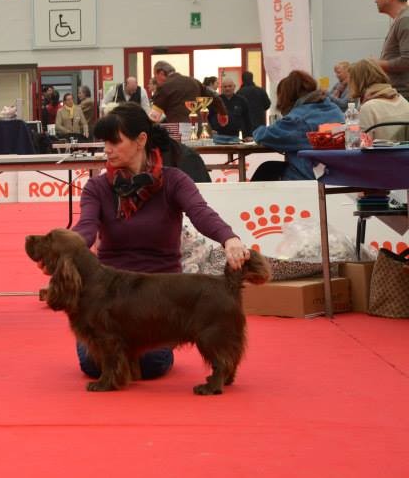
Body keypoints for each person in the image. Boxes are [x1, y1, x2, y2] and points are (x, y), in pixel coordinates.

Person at [71, 102, 250, 380]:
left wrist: (230, 239)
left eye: (114, 142)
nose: (107, 149)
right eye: (104, 142)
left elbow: (201, 214)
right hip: (108, 294)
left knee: (151, 366)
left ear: (141, 140)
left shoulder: (174, 180)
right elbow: (86, 227)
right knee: (93, 366)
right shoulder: (97, 187)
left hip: (160, 297)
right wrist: (69, 246)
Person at [250, 70, 345, 181]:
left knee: (266, 170)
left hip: (311, 175)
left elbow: (265, 136)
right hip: (338, 173)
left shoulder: (297, 118)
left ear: (288, 96)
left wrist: (257, 131)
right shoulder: (334, 109)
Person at [348, 58, 409, 143]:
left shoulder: (369, 108)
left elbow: (360, 146)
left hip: (381, 156)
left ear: (357, 82)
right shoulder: (403, 101)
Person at [151, 60, 227, 124]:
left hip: (179, 131)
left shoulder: (164, 87)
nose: (156, 81)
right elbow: (215, 97)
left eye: (155, 76)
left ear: (161, 73)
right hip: (200, 127)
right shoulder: (193, 81)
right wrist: (223, 113)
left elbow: (154, 117)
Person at [375, 0, 409, 100]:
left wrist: (378, 64)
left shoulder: (405, 19)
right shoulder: (401, 19)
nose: (375, 0)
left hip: (404, 97)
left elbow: (407, 60)